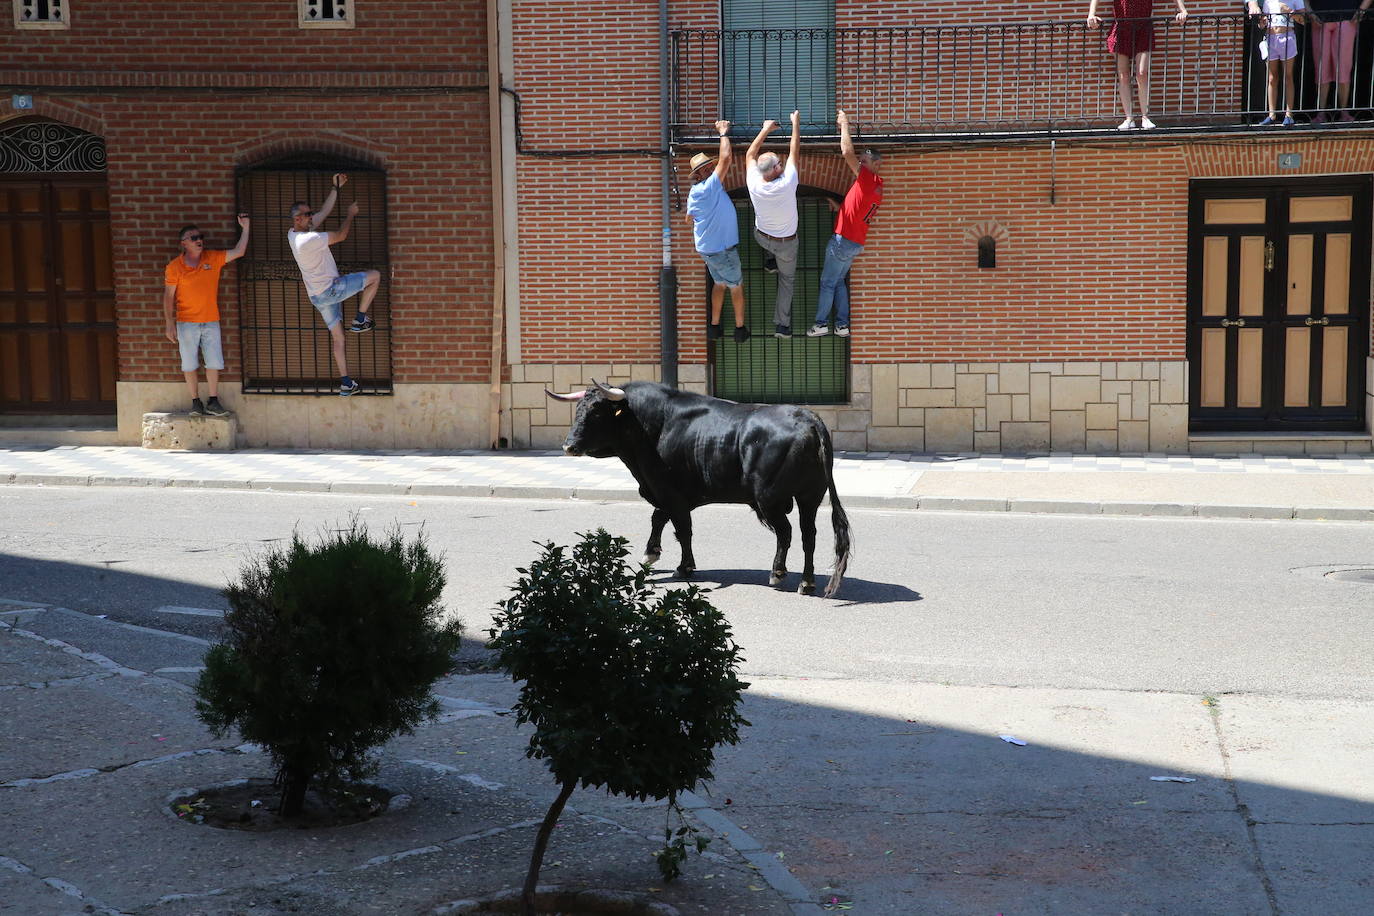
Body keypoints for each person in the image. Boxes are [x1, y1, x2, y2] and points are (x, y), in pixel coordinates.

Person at [287, 173, 381, 396]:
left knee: (338, 337)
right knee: (375, 276)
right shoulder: (308, 239)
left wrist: (335, 187)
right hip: (330, 289)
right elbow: (341, 235)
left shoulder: (293, 234)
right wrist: (350, 214)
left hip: (317, 296)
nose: (312, 217)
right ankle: (359, 320)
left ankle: (346, 383)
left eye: (310, 213)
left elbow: (324, 212)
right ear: (298, 219)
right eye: (307, 214)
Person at [163, 216, 249, 417]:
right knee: (189, 364)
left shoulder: (212, 258)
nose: (198, 239)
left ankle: (213, 400)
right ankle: (195, 402)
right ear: (183, 243)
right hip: (186, 323)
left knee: (214, 362)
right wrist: (169, 323)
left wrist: (246, 228)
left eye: (200, 236)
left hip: (211, 320)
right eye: (193, 237)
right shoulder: (174, 266)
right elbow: (168, 296)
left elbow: (239, 252)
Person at [808, 111, 882, 339]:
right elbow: (857, 212)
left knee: (827, 283)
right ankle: (842, 325)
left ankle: (820, 323)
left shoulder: (868, 178)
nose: (860, 162)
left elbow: (846, 152)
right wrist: (839, 208)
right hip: (854, 243)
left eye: (865, 160)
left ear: (876, 164)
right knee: (838, 281)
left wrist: (844, 125)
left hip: (842, 242)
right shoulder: (876, 187)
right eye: (862, 160)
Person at [686, 120, 750, 343]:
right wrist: (723, 133)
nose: (713, 168)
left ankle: (714, 326)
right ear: (702, 172)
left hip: (707, 251)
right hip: (723, 251)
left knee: (719, 284)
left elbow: (688, 218)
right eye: (708, 168)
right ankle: (740, 328)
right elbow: (726, 159)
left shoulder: (694, 193)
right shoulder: (709, 186)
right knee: (736, 287)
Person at [1087, 0, 1190, 130]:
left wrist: (1182, 10)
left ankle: (1145, 117)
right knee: (1124, 75)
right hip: (1121, 28)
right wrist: (1091, 14)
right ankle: (1129, 119)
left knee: (1142, 74)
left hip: (1143, 27)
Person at [746, 111, 802, 339]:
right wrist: (795, 123)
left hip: (762, 236)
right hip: (787, 245)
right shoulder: (787, 183)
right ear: (776, 170)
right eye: (779, 162)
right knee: (786, 281)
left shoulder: (753, 181)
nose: (782, 162)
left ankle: (770, 261)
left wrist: (765, 129)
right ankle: (782, 325)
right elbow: (795, 149)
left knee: (760, 233)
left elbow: (750, 154)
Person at [1302, 0, 1372, 122]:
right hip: (1320, 18)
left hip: (1347, 18)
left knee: (1343, 68)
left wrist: (1362, 9)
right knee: (1321, 69)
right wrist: (1310, 13)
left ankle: (1344, 112)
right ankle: (1321, 112)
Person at [1254, 0, 1308, 125]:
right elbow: (1262, 24)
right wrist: (1261, 23)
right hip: (1270, 38)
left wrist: (1289, 11)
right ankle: (1271, 115)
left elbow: (1303, 20)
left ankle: (1289, 115)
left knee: (1288, 76)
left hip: (1287, 36)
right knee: (1272, 78)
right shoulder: (1268, 1)